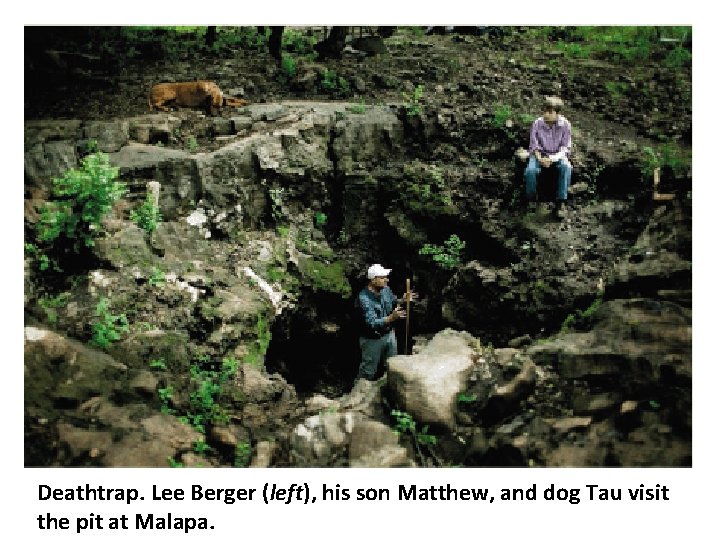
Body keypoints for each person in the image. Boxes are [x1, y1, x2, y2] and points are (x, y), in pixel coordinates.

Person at [354, 264, 417, 382]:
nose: (387, 280)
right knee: (368, 371)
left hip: (389, 335)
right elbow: (371, 323)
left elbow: (393, 301)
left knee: (392, 366)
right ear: (373, 280)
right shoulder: (364, 298)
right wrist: (391, 318)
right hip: (372, 339)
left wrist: (402, 299)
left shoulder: (386, 289)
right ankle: (357, 395)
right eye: (383, 277)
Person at [524, 96, 573, 219]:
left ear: (557, 113)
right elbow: (534, 145)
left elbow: (565, 148)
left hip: (557, 155)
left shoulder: (565, 125)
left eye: (550, 112)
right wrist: (540, 158)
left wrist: (552, 159)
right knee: (531, 171)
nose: (546, 115)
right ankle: (531, 199)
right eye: (545, 111)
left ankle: (560, 202)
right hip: (540, 154)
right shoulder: (537, 123)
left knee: (566, 167)